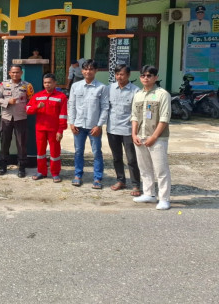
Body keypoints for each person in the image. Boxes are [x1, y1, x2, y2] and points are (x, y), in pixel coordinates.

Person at [131, 65, 173, 210]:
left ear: (155, 77)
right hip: (140, 137)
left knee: (161, 169)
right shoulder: (138, 94)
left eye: (149, 75)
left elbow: (164, 119)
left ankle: (164, 198)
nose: (146, 78)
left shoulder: (162, 94)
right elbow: (134, 116)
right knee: (145, 168)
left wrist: (154, 137)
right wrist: (134, 134)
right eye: (143, 75)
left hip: (158, 138)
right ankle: (149, 194)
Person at [67, 59, 109, 189]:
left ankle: (97, 178)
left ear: (96, 71)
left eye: (91, 69)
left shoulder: (102, 88)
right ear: (82, 70)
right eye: (85, 69)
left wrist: (99, 125)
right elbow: (71, 105)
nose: (88, 71)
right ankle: (78, 175)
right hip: (78, 125)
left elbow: (105, 107)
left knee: (97, 152)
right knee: (78, 151)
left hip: (94, 126)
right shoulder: (75, 86)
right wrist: (72, 123)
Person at [25, 73, 68, 182]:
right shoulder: (38, 96)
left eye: (49, 82)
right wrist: (36, 107)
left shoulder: (61, 97)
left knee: (55, 152)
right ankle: (41, 172)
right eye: (45, 83)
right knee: (40, 152)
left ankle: (55, 173)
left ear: (54, 83)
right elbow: (28, 109)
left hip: (54, 130)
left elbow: (63, 115)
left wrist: (60, 130)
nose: (47, 85)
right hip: (40, 128)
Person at [106, 64, 141, 195]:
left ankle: (136, 185)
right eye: (117, 74)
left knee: (132, 159)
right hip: (112, 129)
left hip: (128, 130)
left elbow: (137, 113)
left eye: (122, 74)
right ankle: (121, 180)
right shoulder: (109, 88)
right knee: (116, 157)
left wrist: (135, 131)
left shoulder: (135, 91)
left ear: (128, 75)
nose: (119, 77)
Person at [0, 64, 34, 177]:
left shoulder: (27, 86)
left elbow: (32, 101)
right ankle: (3, 165)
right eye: (13, 72)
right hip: (6, 117)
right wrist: (7, 102)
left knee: (21, 143)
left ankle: (22, 167)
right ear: (9, 73)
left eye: (17, 72)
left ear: (21, 73)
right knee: (4, 142)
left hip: (21, 117)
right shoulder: (3, 85)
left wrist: (28, 108)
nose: (15, 74)